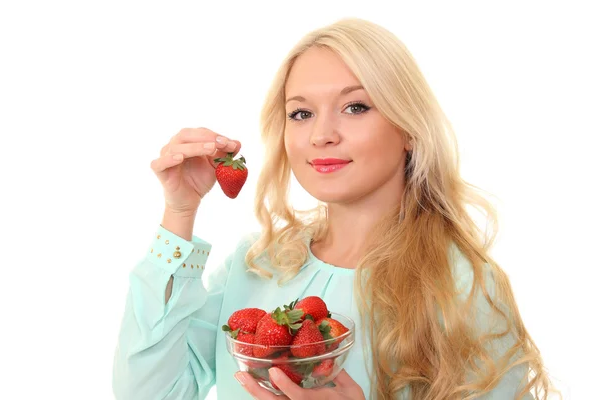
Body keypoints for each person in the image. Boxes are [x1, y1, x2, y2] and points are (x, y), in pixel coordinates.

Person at [112, 17, 558, 400]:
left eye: (355, 106)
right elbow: (149, 391)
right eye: (301, 114)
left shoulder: (460, 286)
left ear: (408, 128)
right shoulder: (257, 265)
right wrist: (180, 212)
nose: (321, 134)